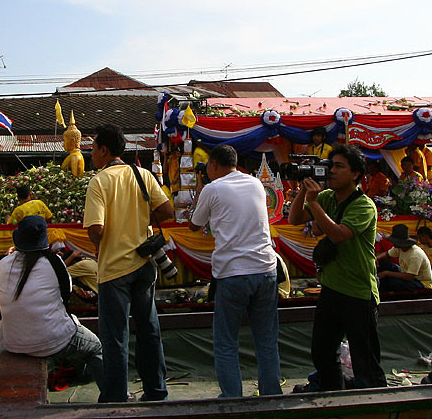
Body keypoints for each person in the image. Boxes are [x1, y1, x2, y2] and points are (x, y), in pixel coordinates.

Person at [83, 124, 173, 403]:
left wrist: (103, 244)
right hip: (144, 265)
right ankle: (156, 390)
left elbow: (95, 228)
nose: (91, 154)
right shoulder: (142, 174)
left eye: (94, 148)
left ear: (104, 150)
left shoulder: (99, 181)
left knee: (115, 336)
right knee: (149, 330)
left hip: (114, 270)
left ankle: (116, 395)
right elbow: (167, 211)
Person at [288, 144, 387, 390]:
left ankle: (377, 402)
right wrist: (304, 188)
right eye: (330, 166)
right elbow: (295, 219)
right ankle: (334, 395)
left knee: (365, 361)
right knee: (322, 353)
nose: (332, 171)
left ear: (355, 174)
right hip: (331, 288)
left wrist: (315, 202)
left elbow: (340, 234)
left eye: (339, 166)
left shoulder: (364, 205)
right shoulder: (326, 197)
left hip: (358, 291)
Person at [188, 144, 281, 398]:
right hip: (265, 269)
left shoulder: (212, 188)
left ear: (214, 165)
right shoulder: (255, 184)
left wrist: (199, 194)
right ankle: (272, 395)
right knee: (266, 341)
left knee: (227, 343)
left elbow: (195, 225)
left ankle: (233, 399)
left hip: (233, 272)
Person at [0, 215, 105, 393]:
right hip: (55, 341)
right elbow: (65, 295)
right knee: (95, 346)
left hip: (12, 342)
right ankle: (112, 396)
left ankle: (80, 374)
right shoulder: (55, 263)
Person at [376, 224, 432, 292]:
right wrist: (376, 259)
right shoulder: (399, 248)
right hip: (405, 273)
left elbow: (409, 277)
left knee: (393, 282)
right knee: (384, 263)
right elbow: (387, 254)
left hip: (421, 283)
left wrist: (386, 273)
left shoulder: (415, 254)